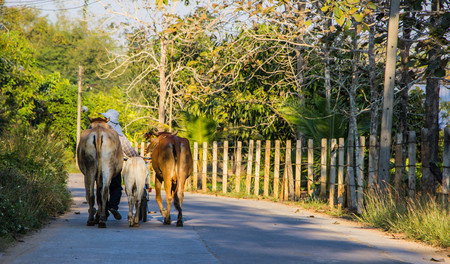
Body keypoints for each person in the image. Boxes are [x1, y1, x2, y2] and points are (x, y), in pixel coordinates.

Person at [100, 109, 141, 220]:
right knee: (116, 187)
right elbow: (130, 152)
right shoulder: (119, 136)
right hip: (114, 166)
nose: (103, 119)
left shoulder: (100, 133)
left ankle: (102, 210)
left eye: (105, 118)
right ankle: (112, 206)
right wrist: (140, 158)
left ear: (108, 120)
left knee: (101, 186)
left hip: (100, 165)